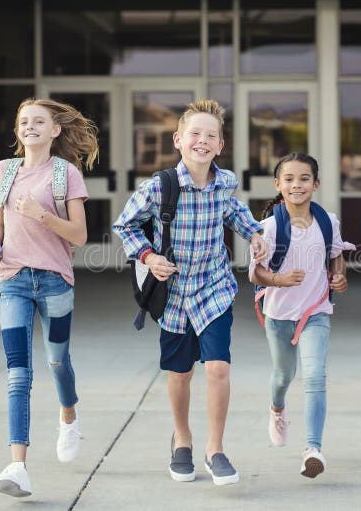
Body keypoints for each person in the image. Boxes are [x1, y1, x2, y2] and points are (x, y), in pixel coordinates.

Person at [112, 99, 268, 486]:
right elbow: (125, 225)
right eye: (195, 134)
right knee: (180, 373)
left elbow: (231, 209)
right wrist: (148, 256)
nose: (203, 140)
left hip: (214, 286)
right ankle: (182, 439)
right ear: (179, 140)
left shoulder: (225, 181)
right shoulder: (159, 186)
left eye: (211, 135)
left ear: (220, 145)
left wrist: (255, 233)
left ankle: (215, 450)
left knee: (217, 367)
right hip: (174, 292)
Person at [0, 98, 98, 498]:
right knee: (17, 373)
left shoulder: (67, 175)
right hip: (12, 279)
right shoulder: (4, 172)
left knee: (57, 360)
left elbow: (79, 236)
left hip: (55, 281)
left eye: (38, 121)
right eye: (23, 121)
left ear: (54, 130)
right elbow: (0, 227)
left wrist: (40, 213)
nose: (29, 126)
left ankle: (68, 414)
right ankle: (18, 466)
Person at [249, 153, 355, 478]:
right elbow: (255, 274)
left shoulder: (328, 221)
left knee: (314, 377)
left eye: (305, 179)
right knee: (284, 375)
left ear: (316, 184)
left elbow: (335, 257)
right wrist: (279, 280)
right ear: (278, 185)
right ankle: (277, 409)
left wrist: (340, 275)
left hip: (316, 311)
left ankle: (313, 449)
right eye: (290, 179)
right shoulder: (266, 228)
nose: (297, 185)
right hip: (280, 314)